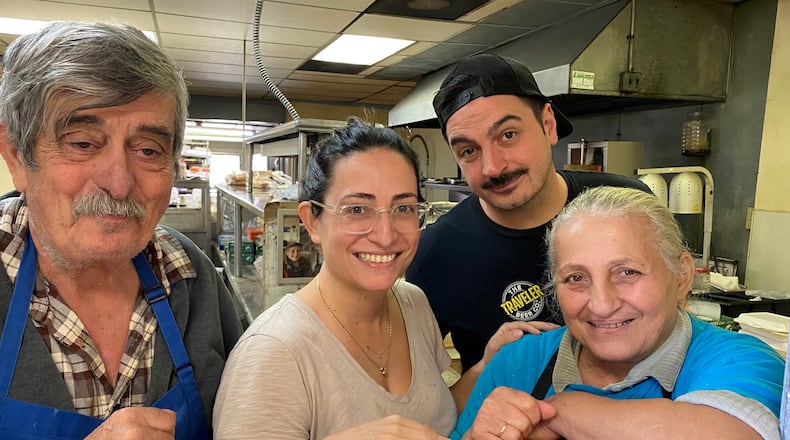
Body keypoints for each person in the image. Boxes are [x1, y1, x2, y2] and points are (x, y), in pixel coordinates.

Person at [213, 117, 528, 439]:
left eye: (403, 208)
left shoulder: (412, 302)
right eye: (357, 209)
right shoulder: (273, 353)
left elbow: (436, 416)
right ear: (311, 222)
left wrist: (487, 363)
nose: (385, 235)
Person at [0, 22, 242, 439]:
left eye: (148, 150)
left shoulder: (191, 276)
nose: (119, 182)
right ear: (18, 157)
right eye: (82, 143)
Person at [453, 186, 784, 440]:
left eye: (627, 272)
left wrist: (557, 411)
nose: (602, 304)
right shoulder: (519, 361)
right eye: (576, 278)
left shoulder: (742, 359)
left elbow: (736, 432)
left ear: (682, 276)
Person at [406, 53, 651, 372]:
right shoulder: (433, 255)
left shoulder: (627, 205)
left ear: (548, 124)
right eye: (469, 151)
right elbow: (421, 394)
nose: (492, 166)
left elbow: (675, 325)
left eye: (508, 135)